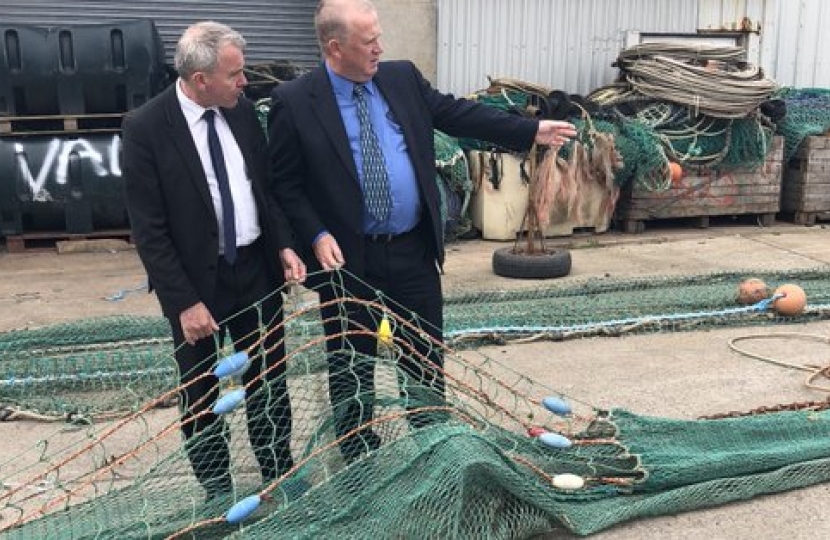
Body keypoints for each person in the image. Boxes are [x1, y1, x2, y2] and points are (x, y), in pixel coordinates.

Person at [268, 0, 576, 463]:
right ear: (335, 47)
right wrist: (314, 234)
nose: (379, 48)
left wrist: (529, 130)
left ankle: (433, 447)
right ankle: (359, 457)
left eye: (379, 37)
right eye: (368, 42)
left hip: (412, 248)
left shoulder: (401, 78)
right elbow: (284, 185)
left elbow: (459, 115)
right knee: (352, 364)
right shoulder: (296, 101)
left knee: (424, 357)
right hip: (350, 259)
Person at [122, 21, 306, 499]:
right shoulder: (145, 128)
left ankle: (277, 471)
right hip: (195, 284)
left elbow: (263, 191)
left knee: (269, 380)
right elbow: (150, 230)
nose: (244, 82)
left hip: (255, 272)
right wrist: (183, 303)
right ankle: (217, 489)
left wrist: (283, 244)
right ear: (200, 79)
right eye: (234, 74)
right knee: (202, 392)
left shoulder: (241, 112)